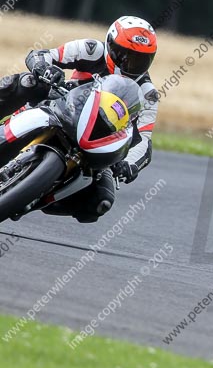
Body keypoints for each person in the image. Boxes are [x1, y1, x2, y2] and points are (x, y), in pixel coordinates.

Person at [0, 16, 159, 222]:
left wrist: (130, 164)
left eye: (140, 59)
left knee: (101, 201)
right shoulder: (92, 50)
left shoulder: (147, 93)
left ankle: (31, 197)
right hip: (61, 104)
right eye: (124, 55)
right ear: (110, 45)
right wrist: (44, 68)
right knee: (28, 82)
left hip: (99, 140)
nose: (130, 63)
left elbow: (144, 140)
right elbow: (41, 55)